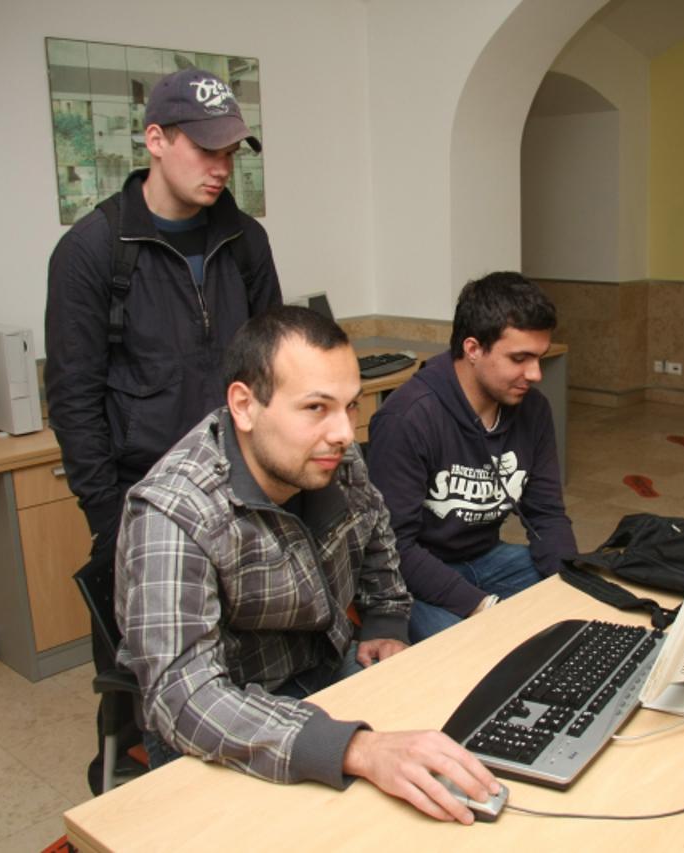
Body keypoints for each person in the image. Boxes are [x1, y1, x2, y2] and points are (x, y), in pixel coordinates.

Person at [115, 306, 499, 823]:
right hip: (224, 716)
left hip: (325, 671)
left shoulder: (331, 456)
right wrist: (355, 748)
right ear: (244, 406)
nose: (343, 433)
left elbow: (377, 535)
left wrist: (386, 620)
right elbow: (184, 698)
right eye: (316, 407)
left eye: (350, 405)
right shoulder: (174, 511)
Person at [44, 66, 281, 793]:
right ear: (155, 139)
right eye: (206, 149)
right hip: (142, 505)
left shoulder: (245, 240)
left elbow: (274, 367)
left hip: (240, 495)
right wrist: (110, 522)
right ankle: (141, 788)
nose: (221, 167)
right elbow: (74, 399)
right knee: (158, 687)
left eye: (230, 152)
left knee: (241, 671)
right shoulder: (92, 251)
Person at [367, 271, 576, 641]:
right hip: (414, 574)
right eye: (520, 358)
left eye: (539, 358)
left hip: (489, 559)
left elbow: (547, 515)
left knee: (575, 603)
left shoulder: (534, 409)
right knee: (472, 648)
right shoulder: (407, 418)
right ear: (473, 349)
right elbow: (394, 547)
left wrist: (569, 586)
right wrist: (482, 607)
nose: (535, 374)